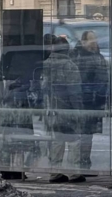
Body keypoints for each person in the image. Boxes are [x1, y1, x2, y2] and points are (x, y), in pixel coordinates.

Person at [42, 36, 83, 184]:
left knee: (56, 140)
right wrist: (78, 111)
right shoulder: (69, 66)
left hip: (50, 109)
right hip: (67, 108)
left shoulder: (44, 64)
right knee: (74, 140)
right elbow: (74, 92)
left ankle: (55, 172)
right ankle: (74, 173)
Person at [70, 30, 108, 182]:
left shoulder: (97, 57)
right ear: (83, 42)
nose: (94, 43)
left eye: (95, 39)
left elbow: (104, 80)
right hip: (82, 101)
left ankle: (84, 163)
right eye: (91, 40)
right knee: (79, 134)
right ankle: (78, 165)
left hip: (93, 101)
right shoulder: (78, 57)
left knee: (88, 134)